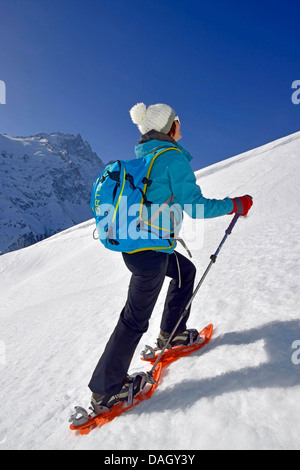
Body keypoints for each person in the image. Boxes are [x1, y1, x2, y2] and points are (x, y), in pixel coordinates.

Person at [88, 103, 253, 414]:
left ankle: (172, 334)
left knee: (184, 271)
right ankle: (106, 392)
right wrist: (235, 204)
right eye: (178, 121)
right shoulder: (172, 159)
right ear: (170, 127)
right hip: (149, 254)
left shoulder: (148, 158)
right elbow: (197, 207)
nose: (181, 125)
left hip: (141, 249)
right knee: (134, 319)